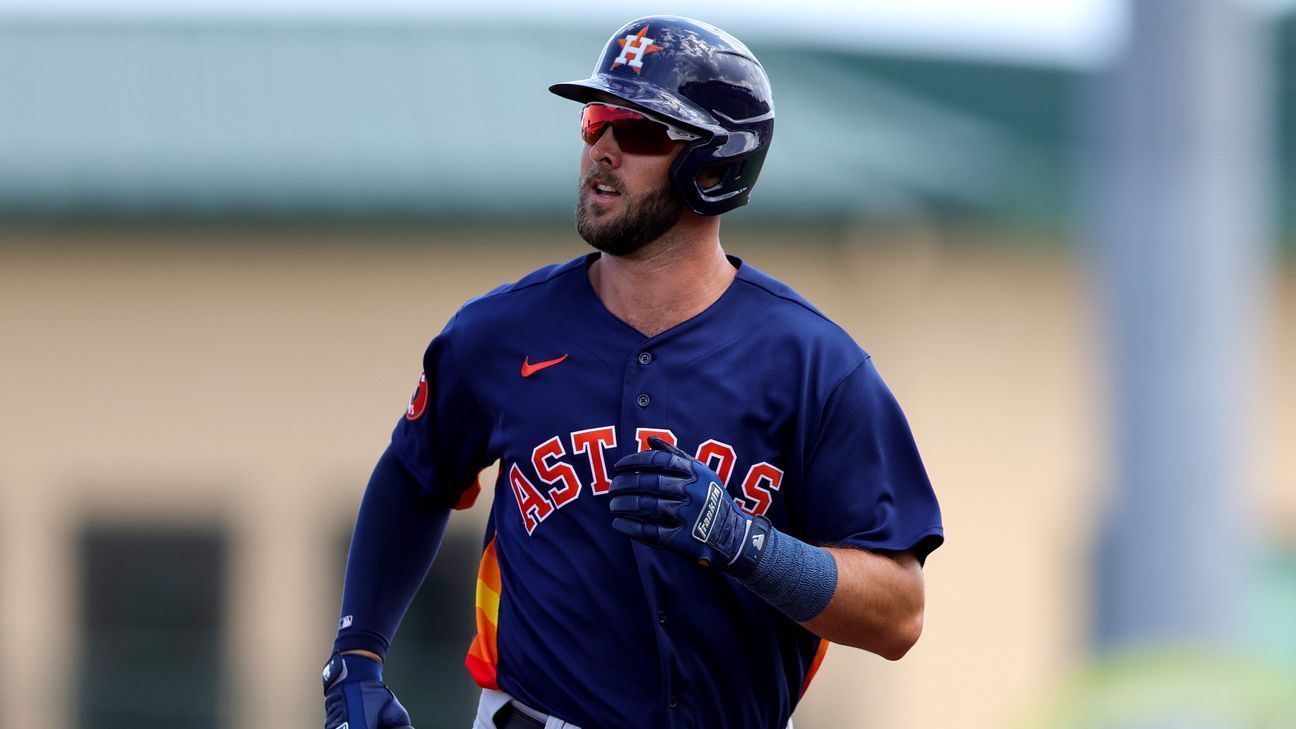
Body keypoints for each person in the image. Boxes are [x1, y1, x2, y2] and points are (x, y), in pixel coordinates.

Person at [322, 15, 943, 729]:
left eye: (641, 131)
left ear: (715, 165)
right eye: (596, 121)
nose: (604, 151)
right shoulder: (499, 333)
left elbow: (899, 611)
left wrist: (747, 542)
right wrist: (356, 654)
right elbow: (413, 472)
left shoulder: (814, 364)